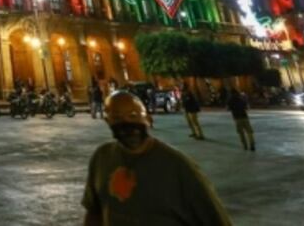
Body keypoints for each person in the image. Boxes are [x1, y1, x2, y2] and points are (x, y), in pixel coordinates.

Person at [82, 91, 231, 225]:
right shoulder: (102, 158)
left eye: (133, 115)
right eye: (117, 118)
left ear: (147, 118)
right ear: (108, 121)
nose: (127, 123)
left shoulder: (178, 166)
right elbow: (95, 212)